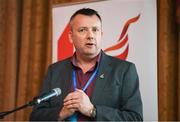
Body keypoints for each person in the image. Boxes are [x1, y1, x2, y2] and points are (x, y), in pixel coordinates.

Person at [29, 8, 143, 121]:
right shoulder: (55, 70)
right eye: (82, 30)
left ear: (101, 34)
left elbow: (135, 118)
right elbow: (36, 116)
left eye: (95, 30)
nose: (90, 35)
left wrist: (92, 111)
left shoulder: (124, 70)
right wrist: (62, 113)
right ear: (70, 36)